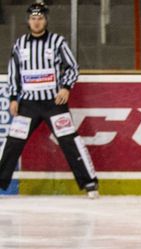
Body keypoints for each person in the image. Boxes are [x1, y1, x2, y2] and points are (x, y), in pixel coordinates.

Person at [1, 2, 99, 198]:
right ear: (28, 21)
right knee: (13, 142)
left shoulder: (57, 42)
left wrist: (66, 87)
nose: (36, 22)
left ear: (46, 20)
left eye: (40, 18)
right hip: (28, 104)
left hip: (54, 103)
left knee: (69, 141)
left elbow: (73, 67)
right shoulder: (19, 44)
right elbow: (14, 73)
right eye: (33, 18)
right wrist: (13, 97)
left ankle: (90, 183)